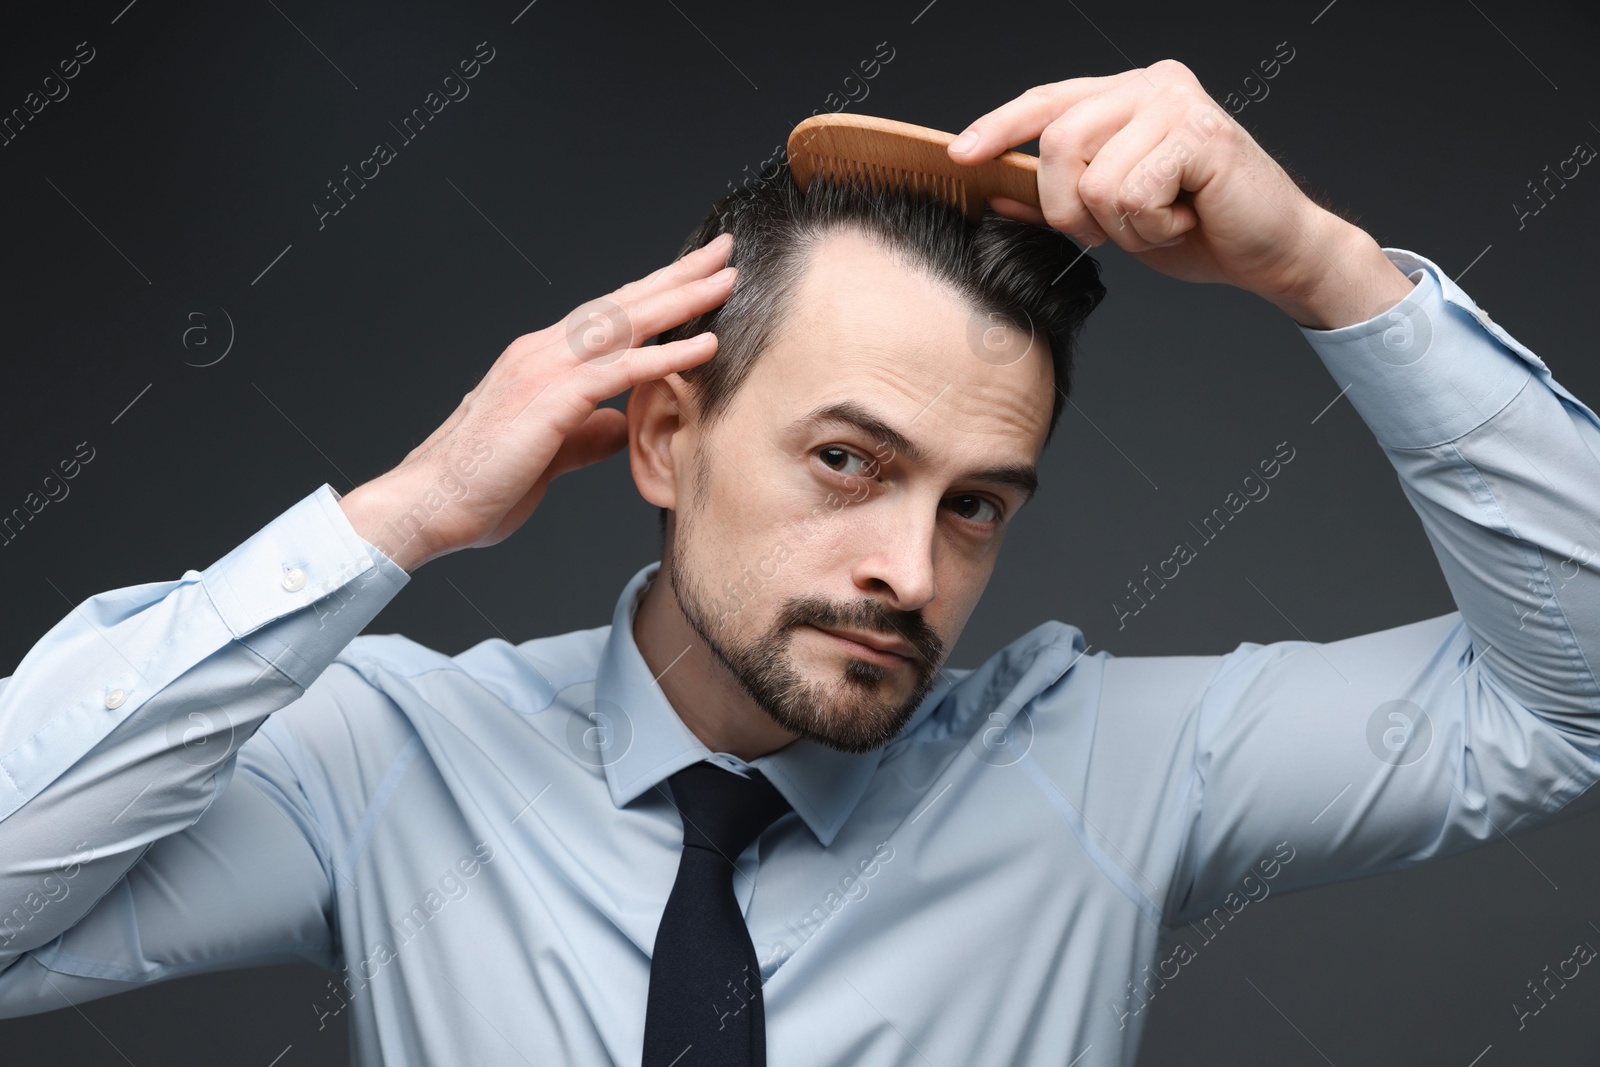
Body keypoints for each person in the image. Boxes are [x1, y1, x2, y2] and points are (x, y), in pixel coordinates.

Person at [2, 59, 1597, 1066]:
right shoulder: (392, 766)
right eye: (849, 462)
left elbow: (1570, 702)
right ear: (662, 439)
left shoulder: (1117, 771)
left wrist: (1321, 266)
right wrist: (402, 514)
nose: (910, 567)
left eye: (978, 502)